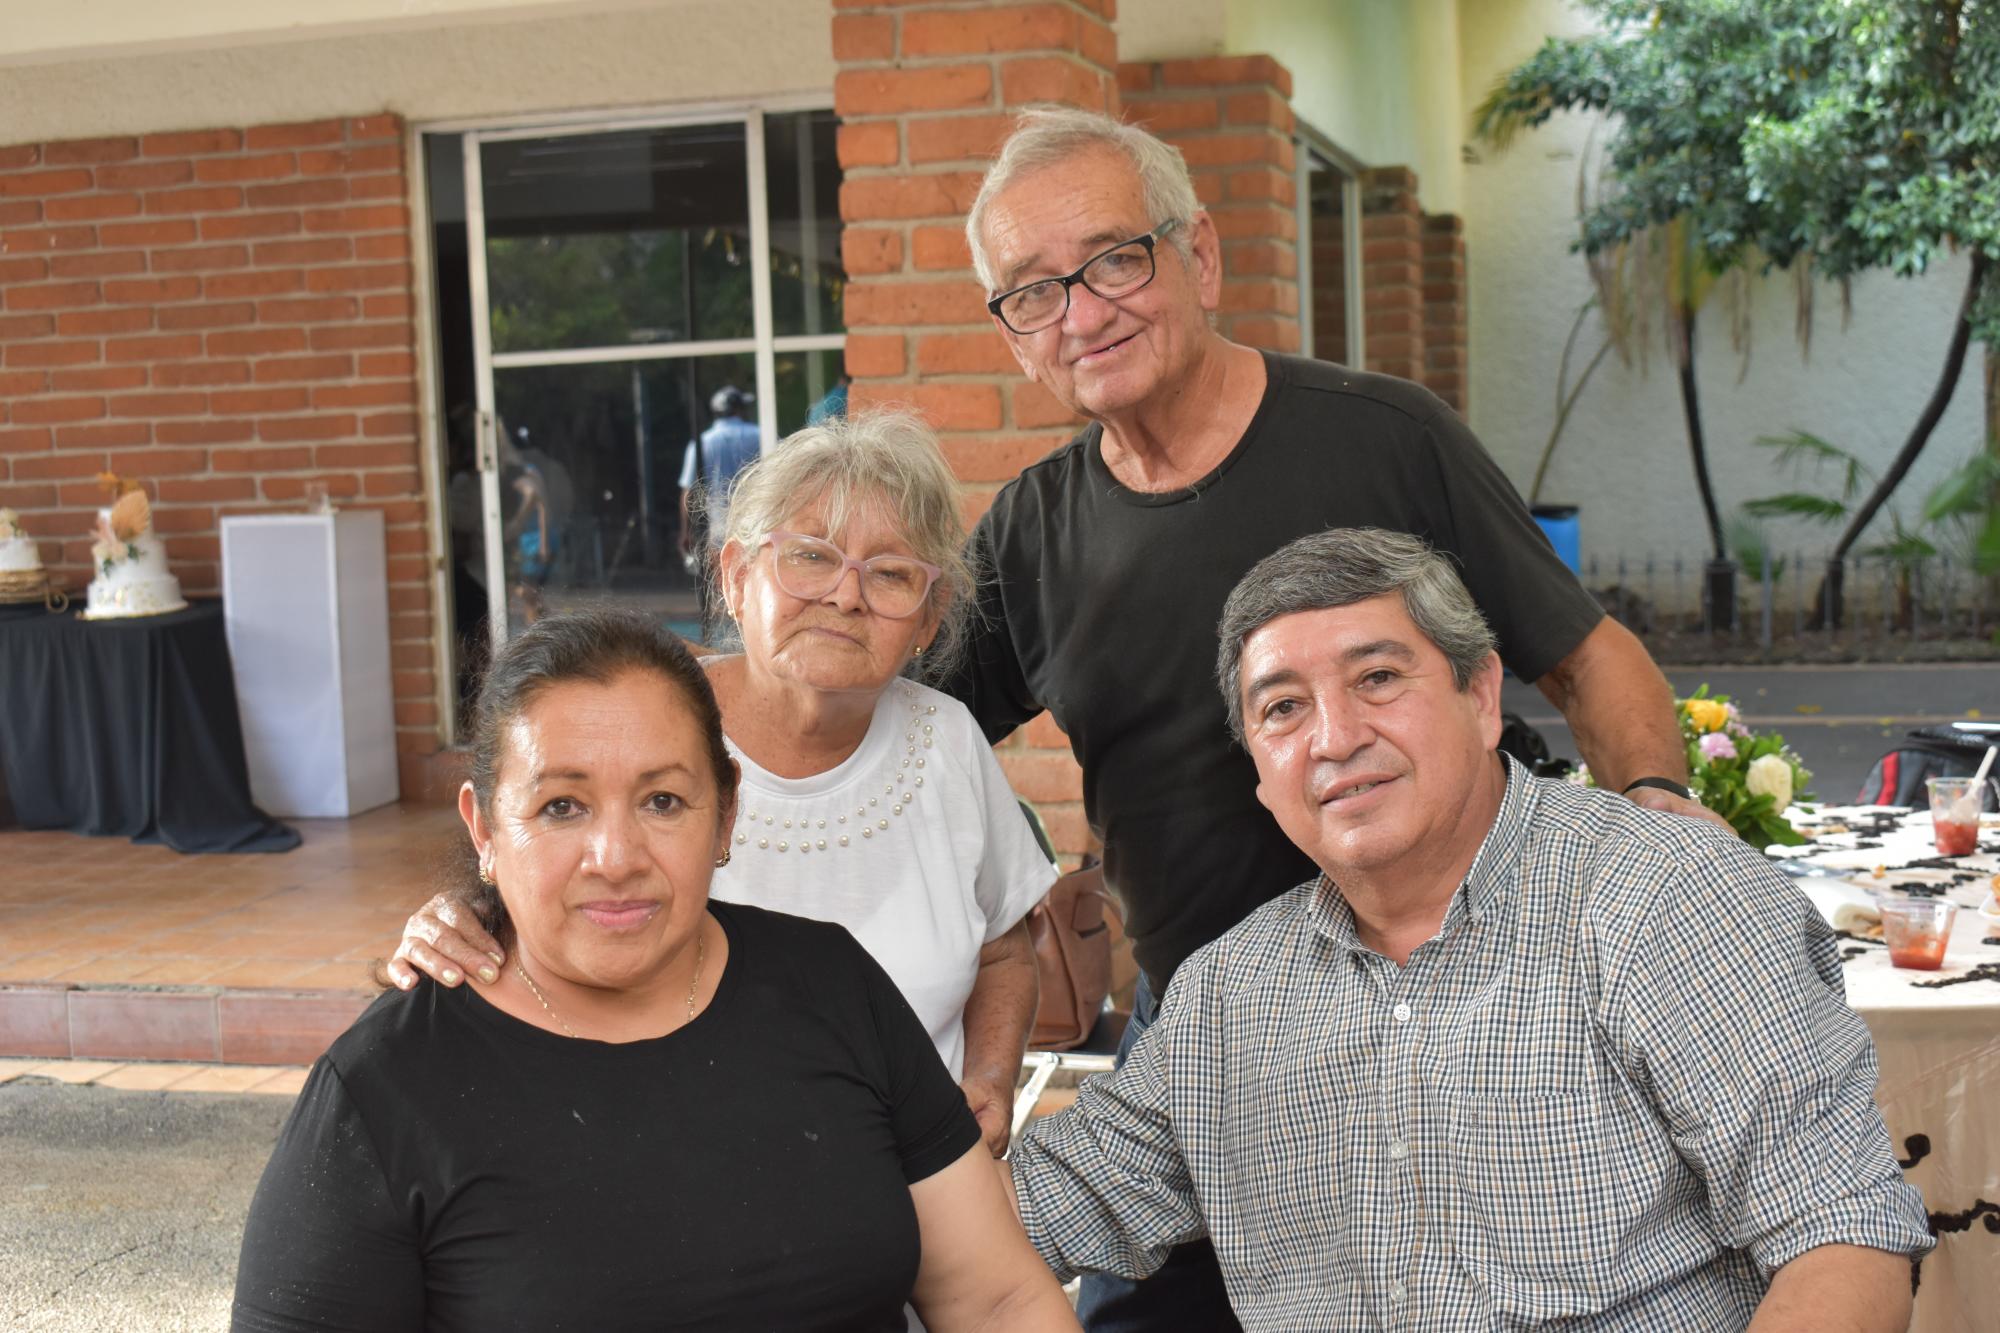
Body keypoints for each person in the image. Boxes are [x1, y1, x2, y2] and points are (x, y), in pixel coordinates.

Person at [951, 105, 1721, 1327]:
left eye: (1112, 259)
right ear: (1011, 335)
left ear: (1197, 255)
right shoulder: (1026, 539)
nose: (1082, 313)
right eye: (1031, 293)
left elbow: (1589, 659)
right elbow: (898, 740)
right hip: (1203, 1033)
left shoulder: (1385, 438)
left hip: (1468, 997)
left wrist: (1661, 841)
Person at [1007, 527, 1934, 1329]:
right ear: (1258, 768)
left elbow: (1840, 1237)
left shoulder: (1667, 902)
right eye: (1283, 707)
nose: (1334, 737)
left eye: (1377, 677)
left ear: (1483, 696)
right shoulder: (1225, 998)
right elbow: (1039, 1207)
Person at [232, 610, 1077, 1333]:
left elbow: (998, 1299)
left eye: (663, 800)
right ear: (485, 829)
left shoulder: (830, 984)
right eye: (561, 805)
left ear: (727, 815)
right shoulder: (384, 1091)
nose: (617, 857)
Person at [391, 412, 1055, 1156]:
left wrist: (993, 1082)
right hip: (679, 1175)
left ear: (930, 620)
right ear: (736, 578)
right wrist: (470, 916)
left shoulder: (950, 742)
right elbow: (540, 871)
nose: (845, 596)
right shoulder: (648, 729)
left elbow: (1003, 948)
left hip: (914, 1188)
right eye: (810, 556)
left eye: (892, 573)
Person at [679, 384, 763, 559]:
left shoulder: (701, 443)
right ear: (739, 410)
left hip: (718, 529)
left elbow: (688, 492)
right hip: (758, 525)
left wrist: (686, 531)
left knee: (722, 581)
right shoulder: (761, 435)